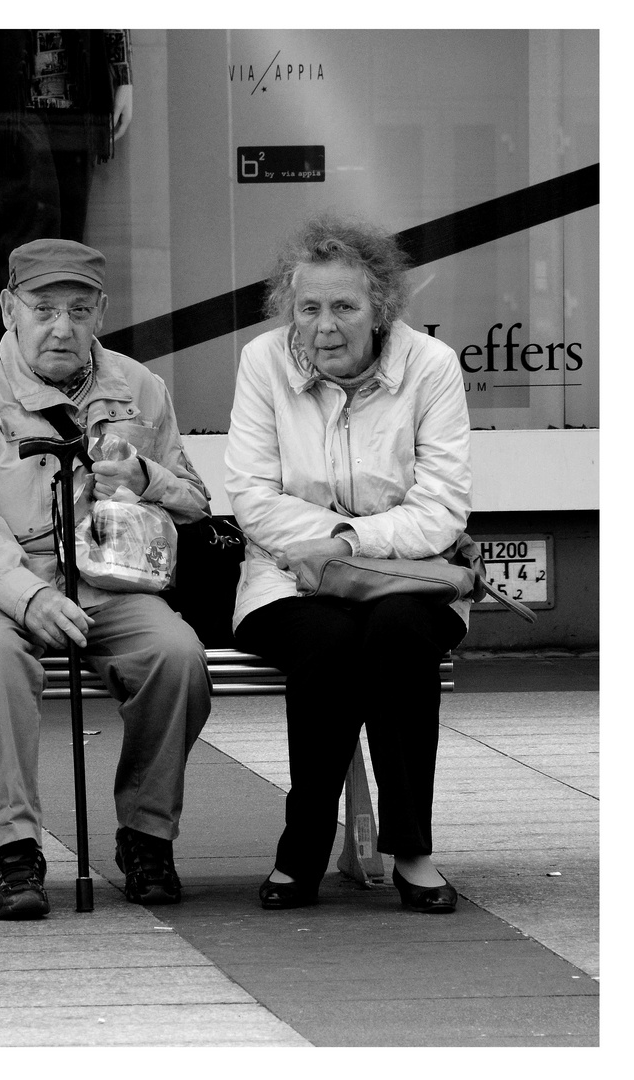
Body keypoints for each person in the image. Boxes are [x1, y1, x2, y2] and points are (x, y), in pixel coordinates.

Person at [0, 238, 213, 920]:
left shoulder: (141, 388)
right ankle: (15, 850)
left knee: (176, 656)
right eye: (43, 308)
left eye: (79, 310)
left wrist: (147, 476)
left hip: (107, 582)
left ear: (101, 313)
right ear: (9, 308)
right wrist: (31, 596)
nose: (62, 326)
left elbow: (196, 501)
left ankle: (147, 836)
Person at [225, 215, 472, 914]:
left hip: (406, 578)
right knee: (327, 641)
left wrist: (344, 546)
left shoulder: (429, 367)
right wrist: (330, 545)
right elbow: (251, 496)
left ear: (381, 309)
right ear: (288, 308)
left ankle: (413, 851)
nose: (324, 327)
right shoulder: (263, 363)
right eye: (308, 308)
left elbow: (443, 511)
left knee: (396, 633)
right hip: (284, 577)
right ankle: (303, 846)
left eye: (344, 307)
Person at [0, 30, 134, 272]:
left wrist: (123, 75)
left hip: (76, 87)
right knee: (29, 233)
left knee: (70, 236)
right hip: (2, 92)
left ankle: (59, 308)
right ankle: (30, 307)